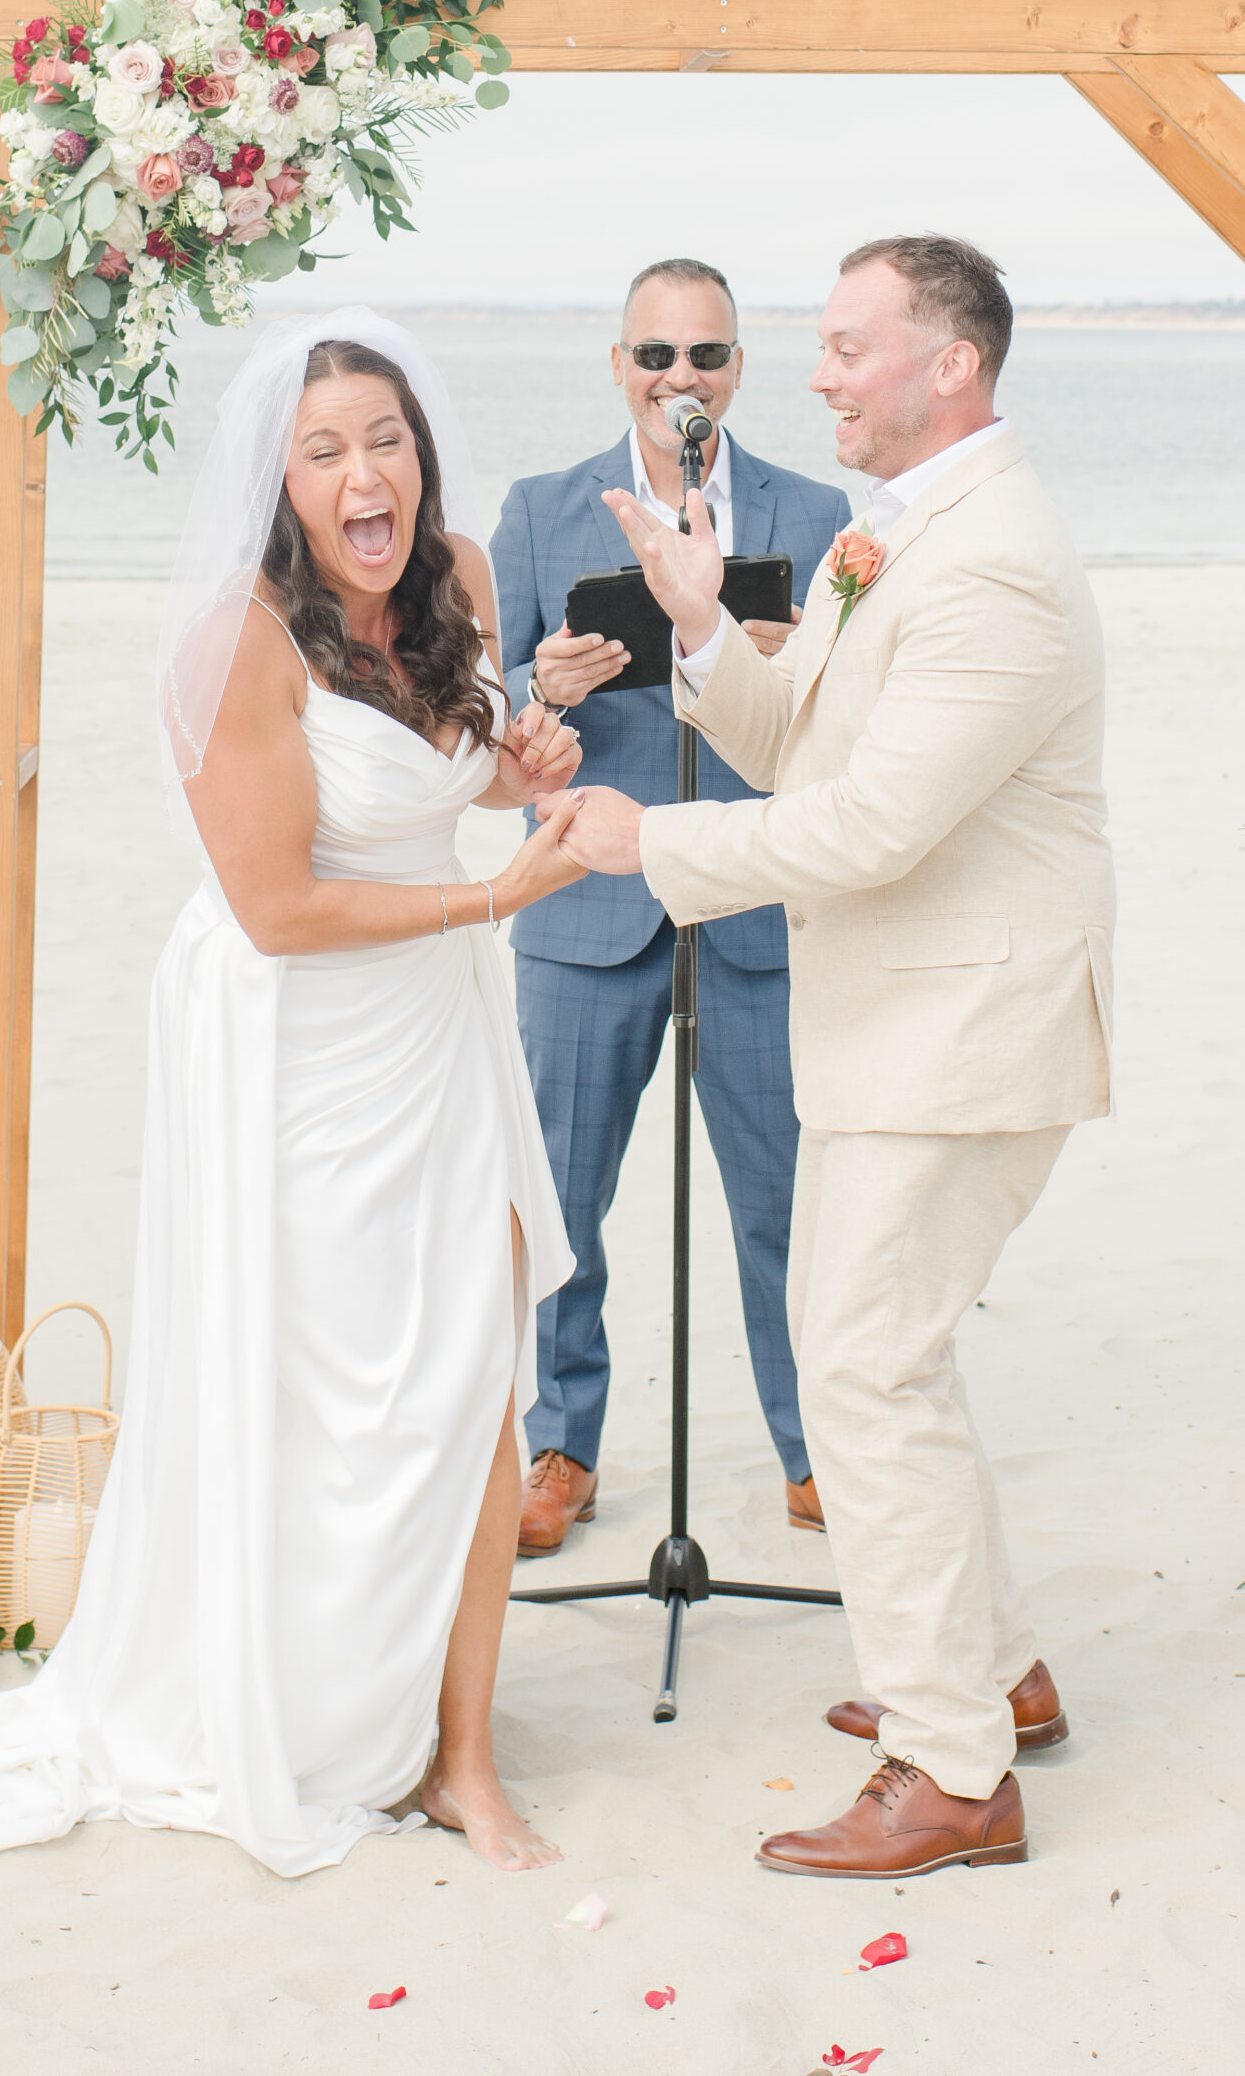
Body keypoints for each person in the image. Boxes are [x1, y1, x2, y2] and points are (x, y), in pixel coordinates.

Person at [0, 307, 588, 1879]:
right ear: (279, 479)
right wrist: (502, 900)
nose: (365, 474)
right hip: (302, 1041)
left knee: (476, 1374)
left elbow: (454, 774)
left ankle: (460, 1754)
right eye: (325, 450)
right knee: (326, 1388)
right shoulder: (233, 643)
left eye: (385, 439)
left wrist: (521, 757)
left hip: (441, 1033)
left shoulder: (460, 577)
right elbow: (282, 910)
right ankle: (309, 1699)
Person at [551, 236, 1114, 1877]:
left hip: (966, 1027)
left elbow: (864, 828)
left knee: (861, 1366)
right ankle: (990, 1675)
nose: (815, 374)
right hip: (905, 1023)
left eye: (849, 346)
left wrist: (635, 841)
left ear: (950, 363)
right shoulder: (903, 535)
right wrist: (699, 625)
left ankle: (952, 1774)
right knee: (889, 1357)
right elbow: (807, 737)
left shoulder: (992, 560)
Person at [491, 258, 850, 1554]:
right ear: (618, 368)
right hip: (590, 905)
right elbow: (484, 723)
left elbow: (858, 724)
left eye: (703, 357)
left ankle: (814, 1450)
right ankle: (558, 1445)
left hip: (756, 903)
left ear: (737, 371)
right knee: (561, 1203)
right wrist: (543, 680)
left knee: (781, 1202)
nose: (678, 380)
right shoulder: (537, 512)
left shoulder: (817, 511)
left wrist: (789, 665)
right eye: (655, 356)